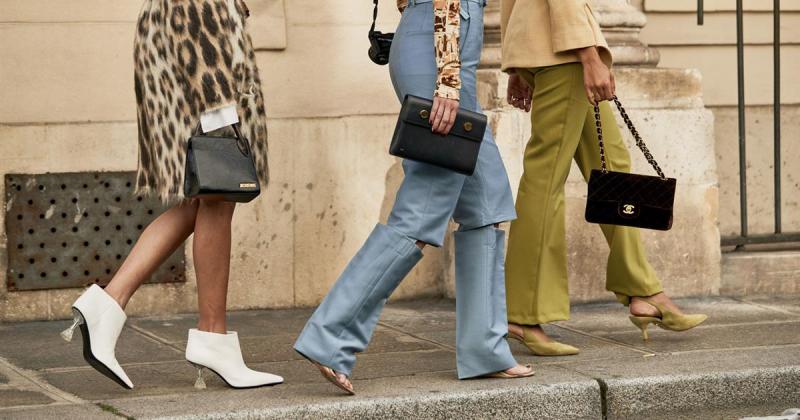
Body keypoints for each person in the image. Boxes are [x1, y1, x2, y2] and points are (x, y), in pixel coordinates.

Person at [293, 0, 534, 395]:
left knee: (486, 202)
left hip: (447, 43)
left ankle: (485, 349)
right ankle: (330, 337)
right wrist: (448, 81)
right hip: (441, 44)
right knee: (424, 206)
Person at [60, 0, 283, 390]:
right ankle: (212, 335)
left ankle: (106, 306)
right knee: (218, 193)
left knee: (201, 199)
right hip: (200, 40)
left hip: (190, 41)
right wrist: (220, 115)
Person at [499, 0, 707, 355]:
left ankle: (643, 289)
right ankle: (522, 313)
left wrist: (517, 62)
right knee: (545, 179)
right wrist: (590, 56)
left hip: (545, 48)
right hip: (564, 56)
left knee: (612, 165)